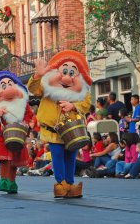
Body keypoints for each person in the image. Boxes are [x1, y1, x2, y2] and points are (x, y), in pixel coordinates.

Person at [27, 50, 91, 198]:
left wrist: (74, 106)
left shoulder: (82, 90)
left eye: (72, 73)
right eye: (64, 71)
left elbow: (86, 103)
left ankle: (69, 183)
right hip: (53, 131)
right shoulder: (47, 85)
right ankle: (61, 183)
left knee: (70, 156)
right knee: (57, 154)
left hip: (73, 131)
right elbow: (33, 89)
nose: (67, 77)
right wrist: (38, 75)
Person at [0, 71, 33, 194]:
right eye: (3, 85)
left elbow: (29, 114)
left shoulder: (22, 102)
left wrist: (26, 123)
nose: (7, 87)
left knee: (14, 161)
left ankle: (12, 181)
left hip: (17, 134)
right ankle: (4, 180)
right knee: (5, 160)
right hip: (1, 136)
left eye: (10, 84)